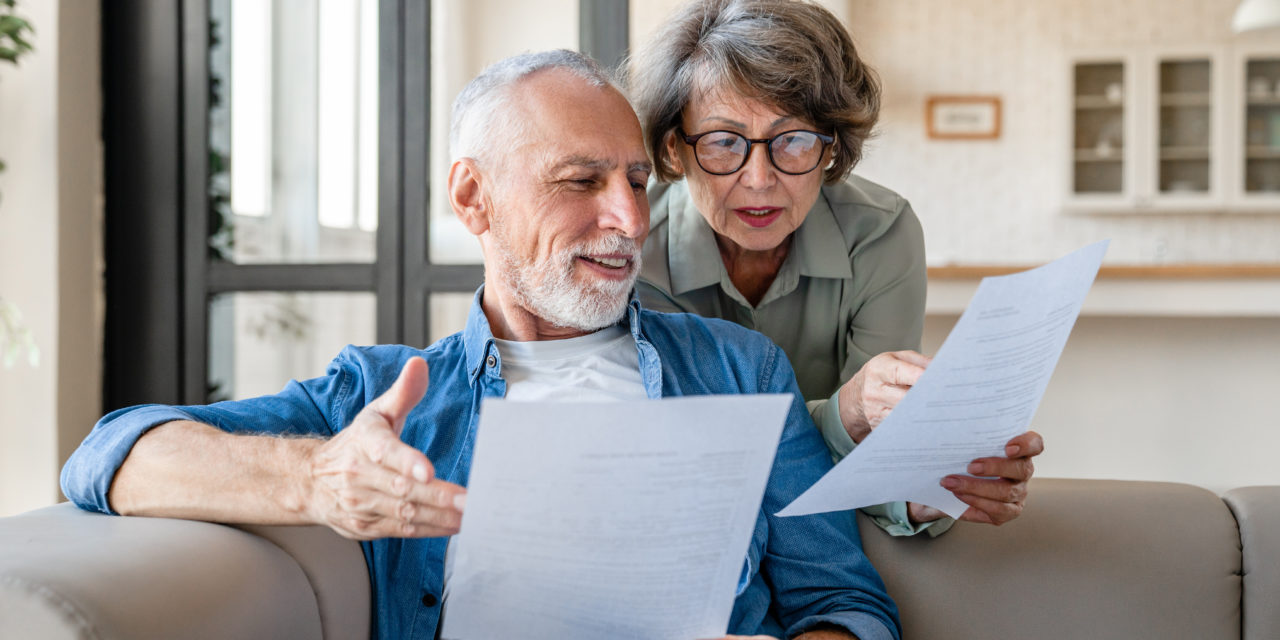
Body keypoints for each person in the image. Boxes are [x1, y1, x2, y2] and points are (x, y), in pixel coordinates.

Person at [61, 51, 900, 640]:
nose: (631, 220)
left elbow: (844, 600)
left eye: (637, 180)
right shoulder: (387, 395)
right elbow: (107, 457)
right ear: (474, 197)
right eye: (582, 181)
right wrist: (316, 479)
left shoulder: (739, 369)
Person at [628, 0, 1041, 536]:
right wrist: (843, 416)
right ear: (673, 149)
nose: (758, 178)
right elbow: (686, 460)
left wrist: (924, 494)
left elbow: (884, 456)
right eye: (724, 142)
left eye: (794, 140)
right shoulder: (631, 247)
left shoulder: (881, 233)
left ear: (832, 148)